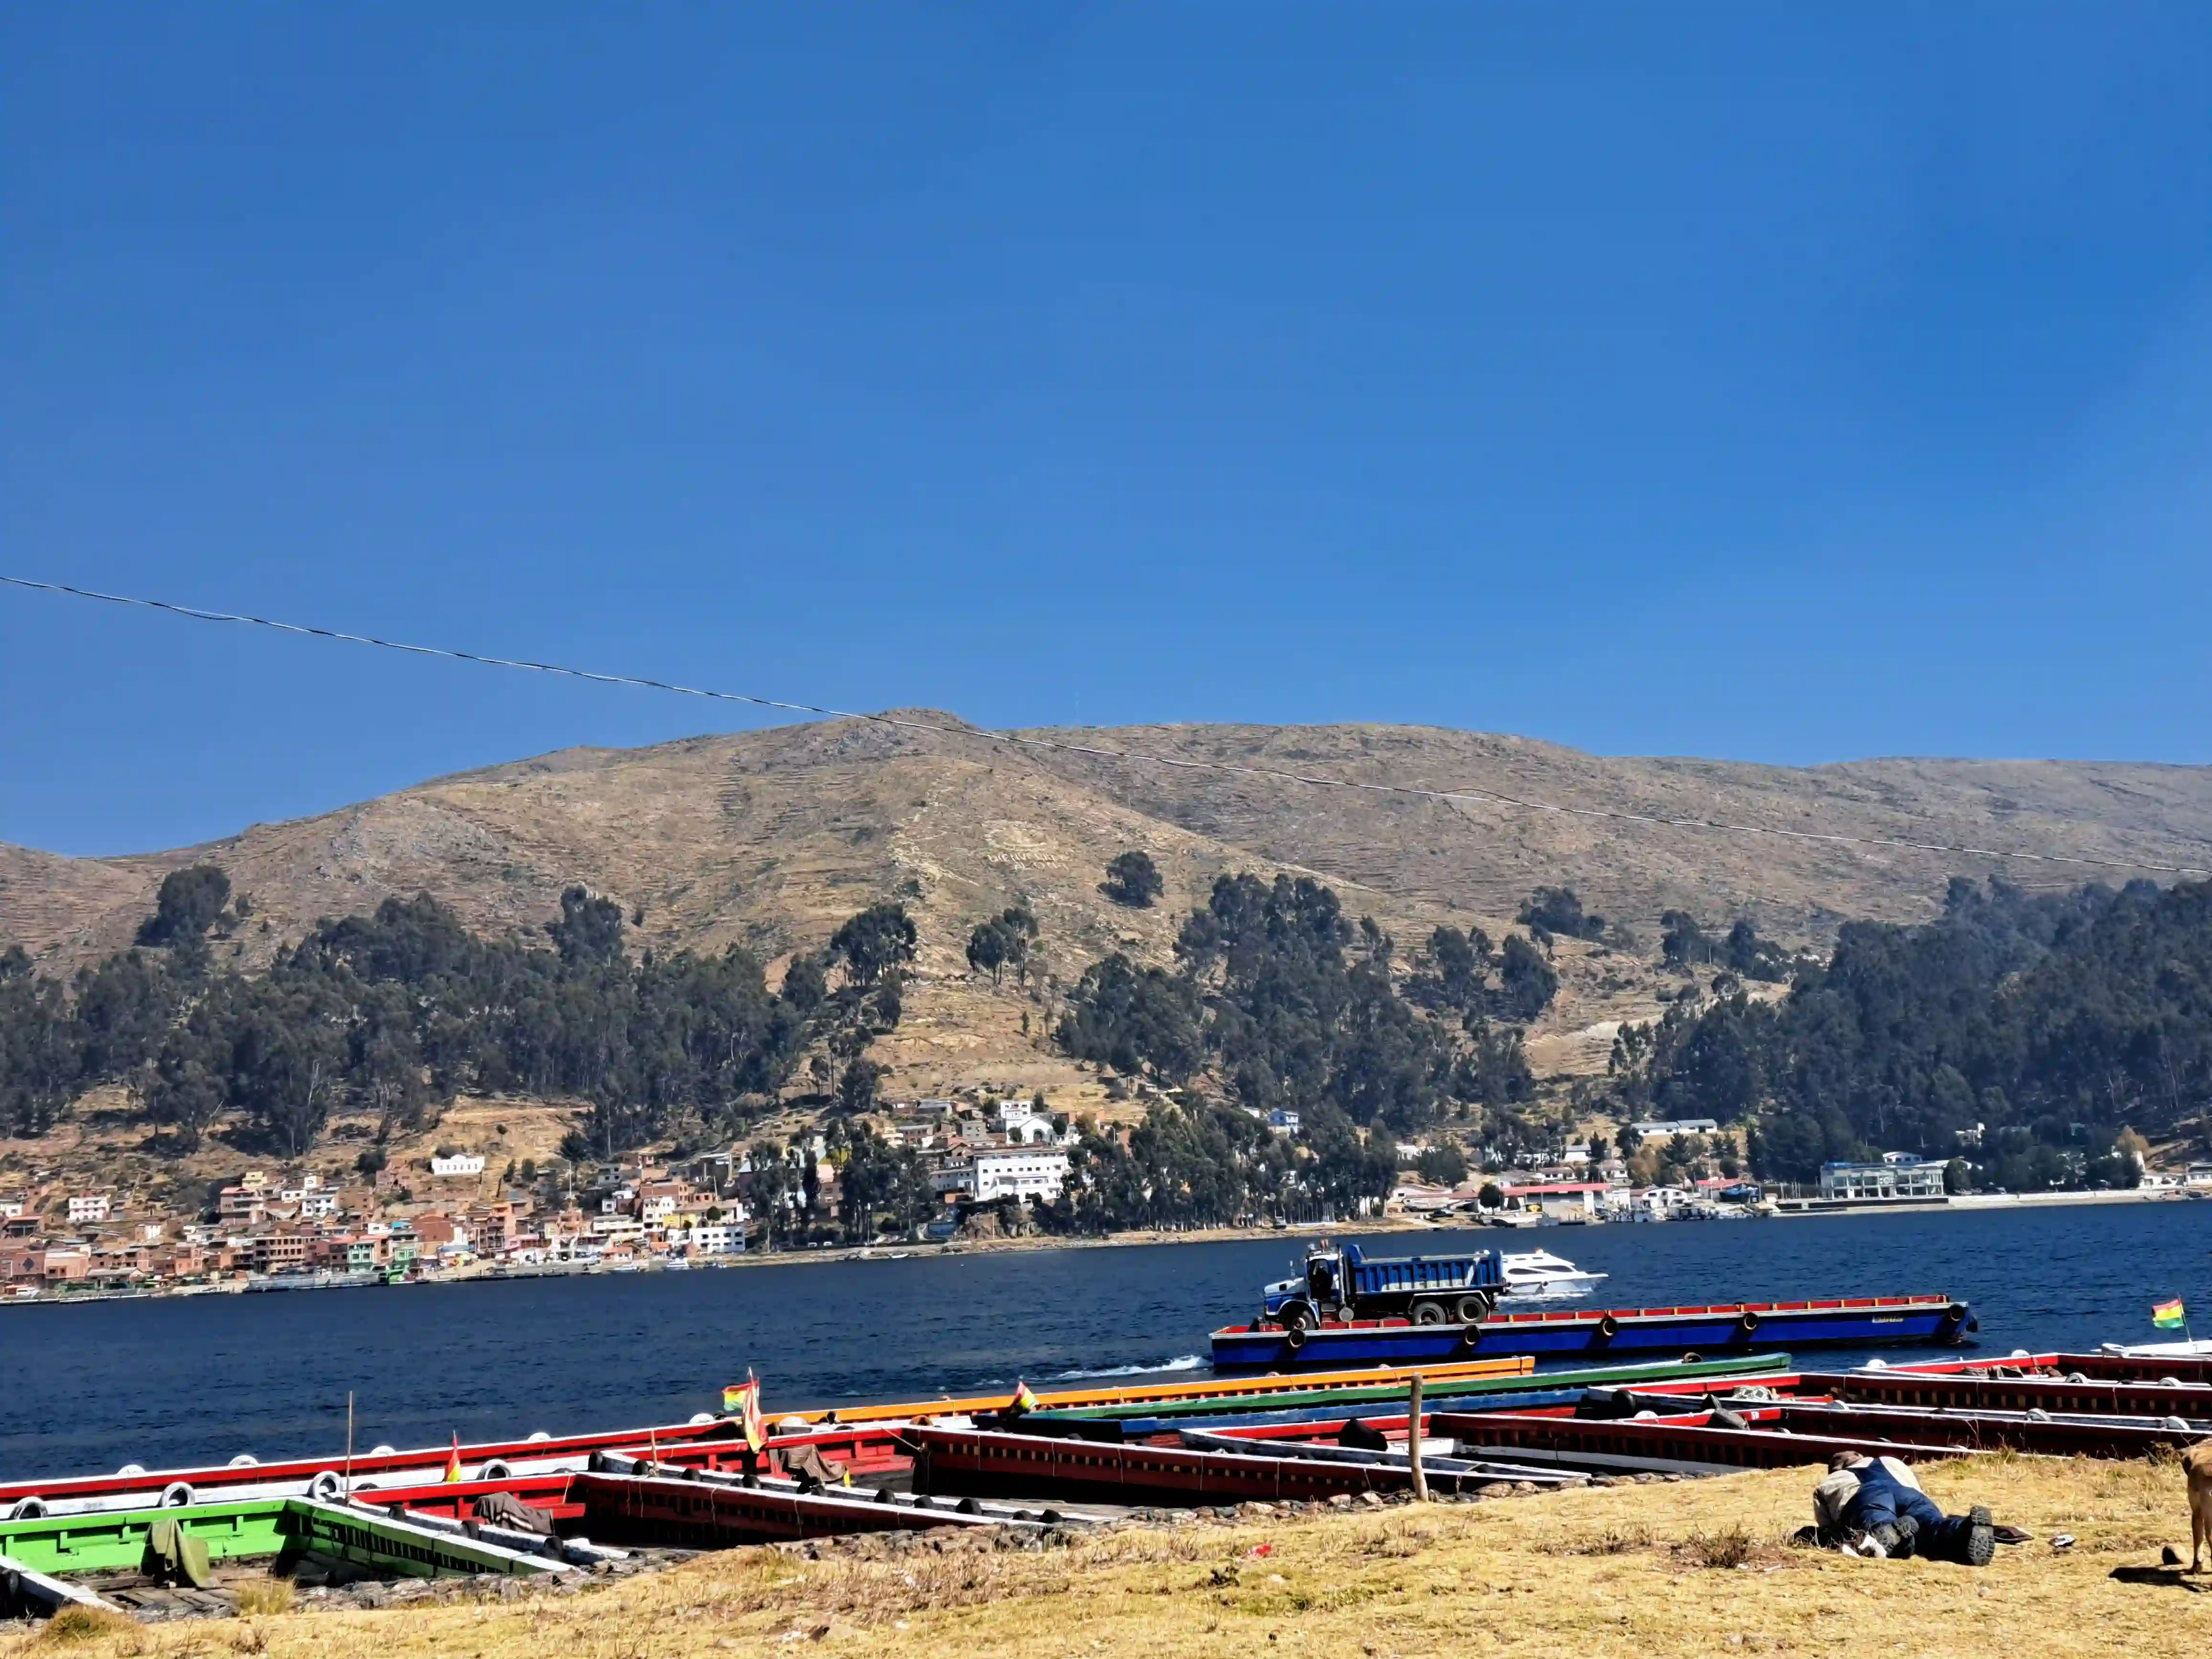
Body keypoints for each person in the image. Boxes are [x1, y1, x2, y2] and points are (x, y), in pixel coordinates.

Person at [1813, 1451, 1999, 1566]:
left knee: (1877, 1520)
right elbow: (1917, 1484)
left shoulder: (1831, 1481)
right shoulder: (1890, 1461)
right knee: (1931, 1525)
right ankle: (1961, 1531)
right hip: (1911, 1495)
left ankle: (1889, 1537)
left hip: (1867, 1496)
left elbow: (1827, 1526)